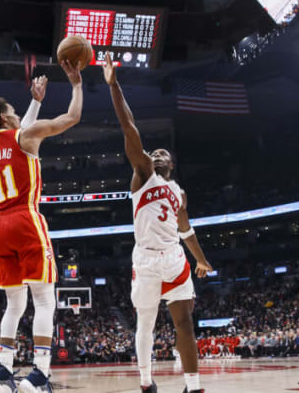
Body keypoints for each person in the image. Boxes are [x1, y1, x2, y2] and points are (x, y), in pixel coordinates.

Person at [102, 53, 212, 393]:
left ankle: (193, 387)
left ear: (172, 165)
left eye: (164, 153)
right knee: (146, 324)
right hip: (147, 259)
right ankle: (147, 384)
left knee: (185, 324)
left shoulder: (179, 192)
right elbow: (128, 125)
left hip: (174, 257)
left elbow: (186, 229)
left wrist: (202, 259)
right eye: (155, 152)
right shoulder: (143, 175)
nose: (157, 154)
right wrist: (114, 84)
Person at [0, 60, 83, 393]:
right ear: (6, 117)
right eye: (13, 110)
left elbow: (20, 135)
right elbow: (71, 118)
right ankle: (39, 374)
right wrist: (77, 84)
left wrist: (36, 101)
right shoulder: (24, 136)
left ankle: (1, 371)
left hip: (0, 225)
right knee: (45, 301)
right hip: (26, 219)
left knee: (14, 304)